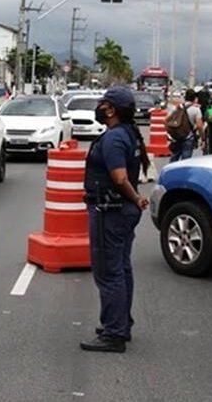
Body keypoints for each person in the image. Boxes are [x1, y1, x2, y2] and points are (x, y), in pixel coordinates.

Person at [80, 86, 149, 353]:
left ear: (111, 109)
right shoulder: (128, 133)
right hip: (120, 211)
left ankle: (114, 333)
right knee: (121, 268)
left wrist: (133, 198)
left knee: (109, 271)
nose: (99, 107)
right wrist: (135, 199)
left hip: (110, 211)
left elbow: (120, 178)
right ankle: (121, 323)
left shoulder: (114, 139)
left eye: (103, 103)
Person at [167, 89, 204, 162]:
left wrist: (170, 132)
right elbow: (200, 126)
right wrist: (202, 138)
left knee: (174, 157)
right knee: (185, 160)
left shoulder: (177, 108)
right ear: (194, 98)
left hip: (176, 136)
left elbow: (166, 120)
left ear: (185, 97)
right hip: (188, 137)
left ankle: (172, 171)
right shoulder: (196, 110)